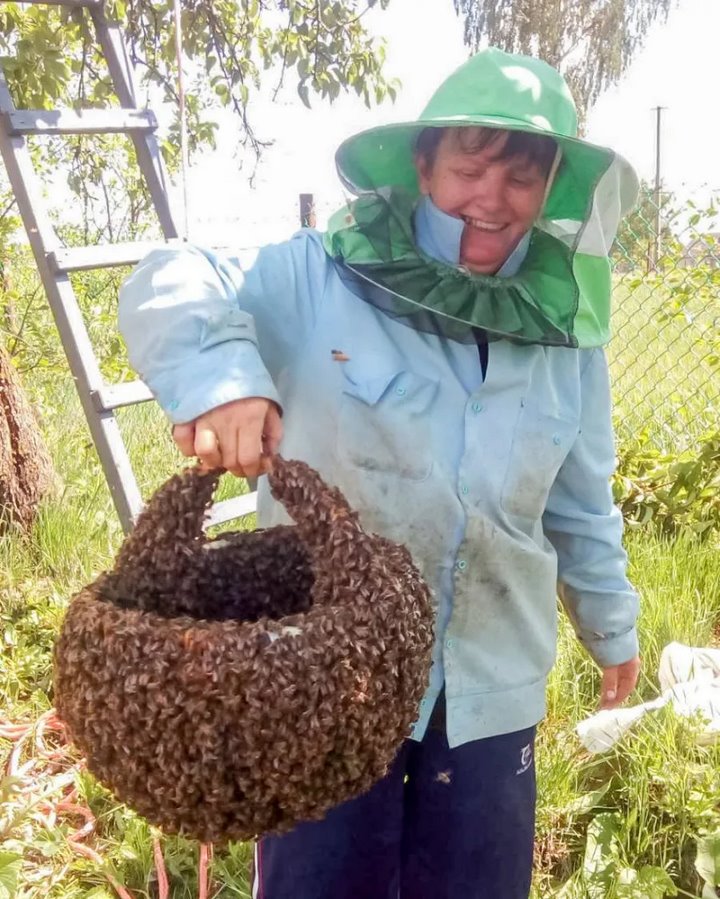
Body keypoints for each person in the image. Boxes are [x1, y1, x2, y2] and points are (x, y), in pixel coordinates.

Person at [119, 47, 641, 899]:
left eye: (520, 177)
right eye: (469, 168)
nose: (491, 198)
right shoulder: (316, 277)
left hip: (488, 683)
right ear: (422, 165)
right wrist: (223, 384)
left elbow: (580, 496)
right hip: (323, 679)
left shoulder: (565, 333)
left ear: (550, 189)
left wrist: (610, 619)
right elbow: (169, 276)